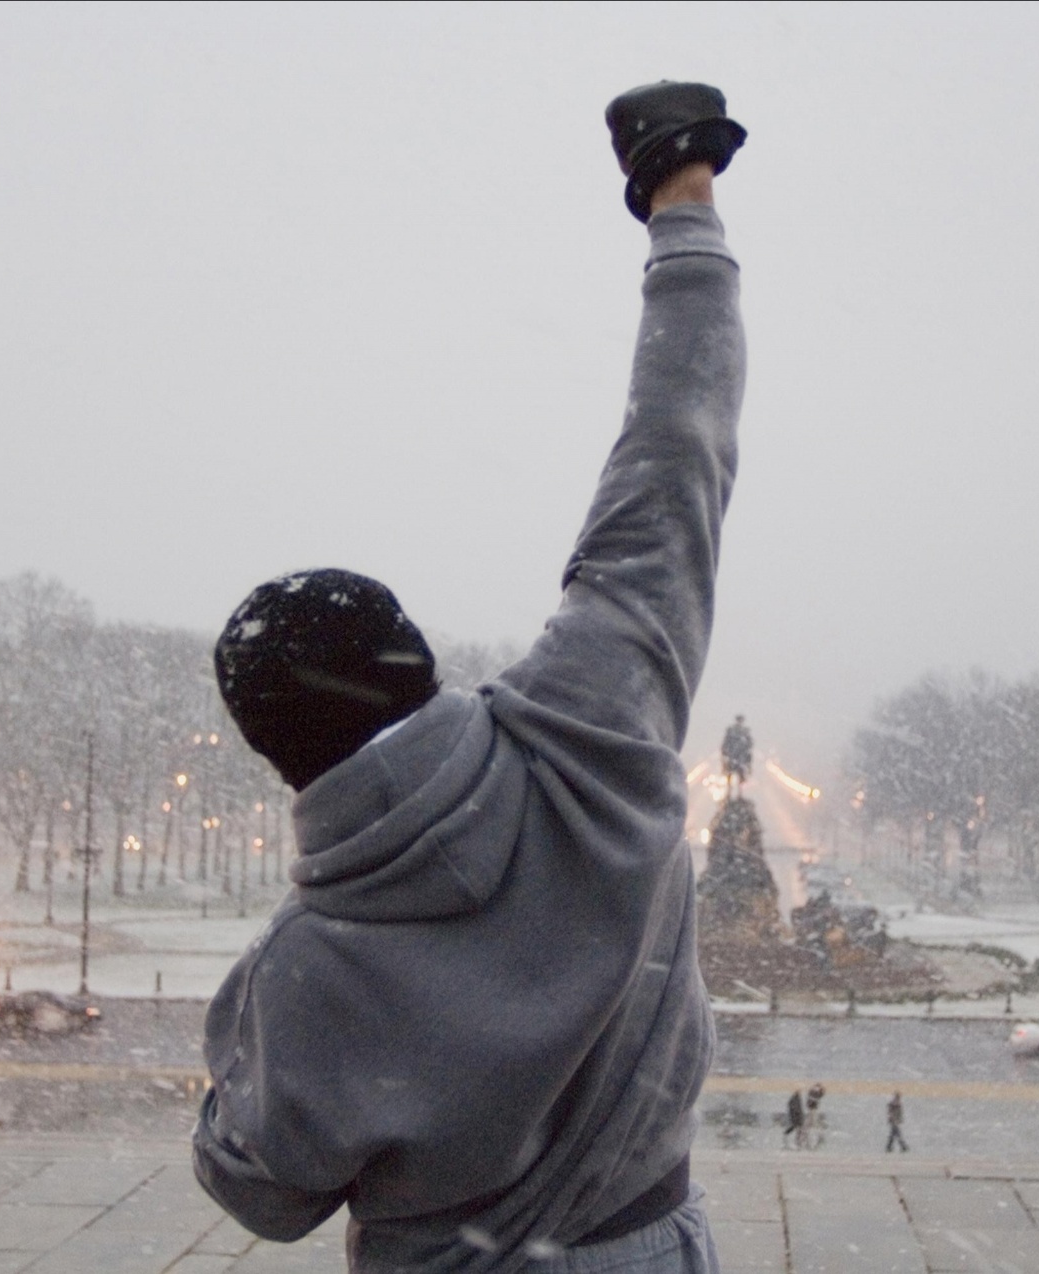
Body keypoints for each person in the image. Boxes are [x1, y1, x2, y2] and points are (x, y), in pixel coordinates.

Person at [193, 79, 748, 1273]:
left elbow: (261, 1187)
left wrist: (244, 1033)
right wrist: (681, 202)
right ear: (417, 656)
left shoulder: (309, 967)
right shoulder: (591, 721)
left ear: (275, 752)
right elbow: (676, 450)